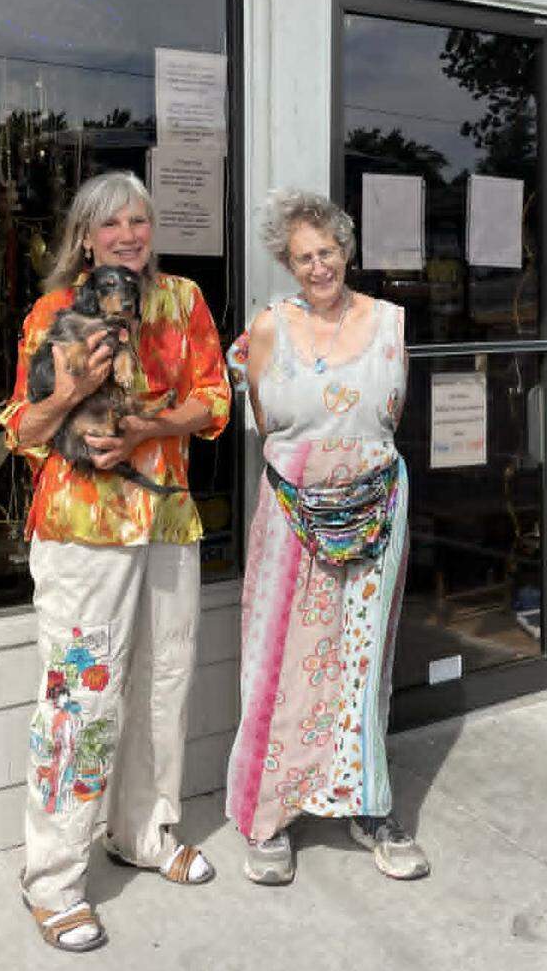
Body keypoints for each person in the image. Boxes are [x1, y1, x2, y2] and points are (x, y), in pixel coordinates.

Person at [0, 170, 231, 952]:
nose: (128, 234)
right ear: (86, 238)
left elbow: (215, 399)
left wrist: (144, 429)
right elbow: (21, 428)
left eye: (139, 220)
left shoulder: (183, 301)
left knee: (165, 680)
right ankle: (53, 877)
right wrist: (71, 392)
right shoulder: (53, 314)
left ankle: (143, 832)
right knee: (80, 697)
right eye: (111, 224)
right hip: (81, 526)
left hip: (165, 515)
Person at [225, 188, 429, 885]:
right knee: (280, 657)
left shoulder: (391, 322)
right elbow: (265, 421)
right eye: (303, 257)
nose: (319, 266)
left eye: (328, 251)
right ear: (288, 264)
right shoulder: (268, 328)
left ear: (347, 249)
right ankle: (271, 816)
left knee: (364, 660)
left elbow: (388, 417)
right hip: (291, 512)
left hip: (378, 508)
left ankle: (367, 805)